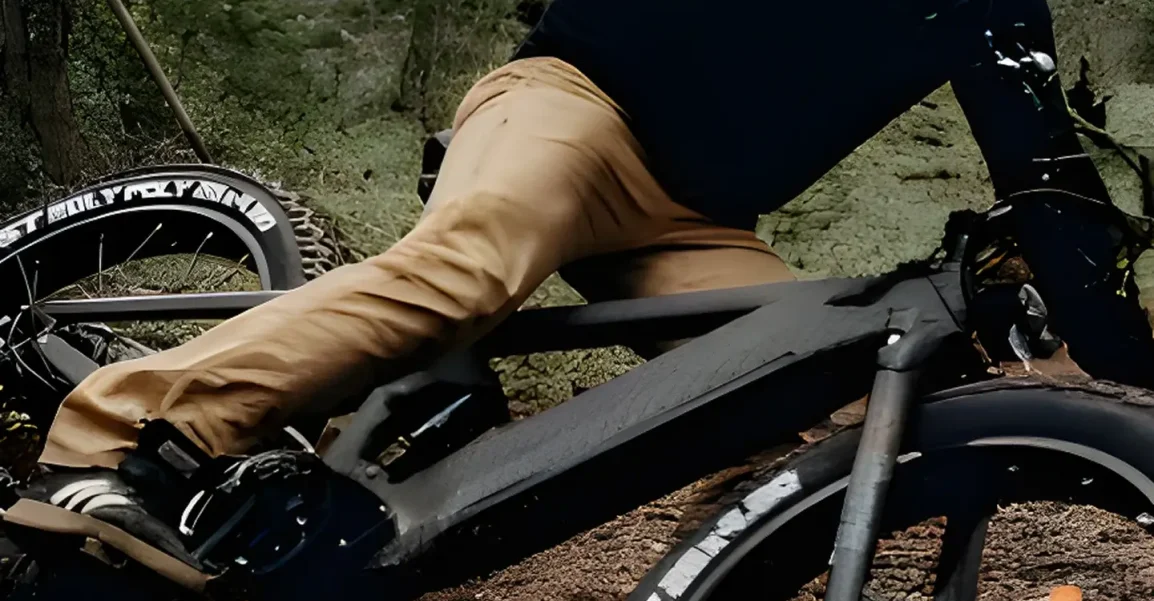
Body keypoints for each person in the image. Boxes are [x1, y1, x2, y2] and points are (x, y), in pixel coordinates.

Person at [14, 0, 1154, 576]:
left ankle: (729, 559)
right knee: (464, 273)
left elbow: (1044, 183)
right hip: (569, 106)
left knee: (834, 373)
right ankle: (104, 440)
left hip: (695, 220)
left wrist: (1119, 363)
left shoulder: (996, 11)